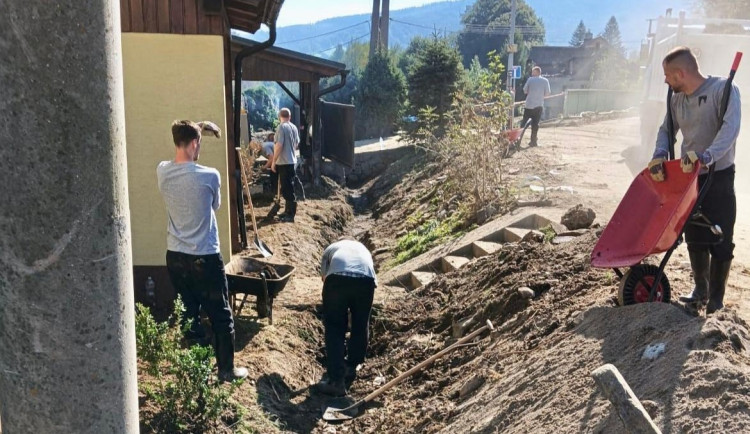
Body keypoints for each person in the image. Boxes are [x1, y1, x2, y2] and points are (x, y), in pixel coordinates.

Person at [647, 46, 740, 314]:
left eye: (667, 75)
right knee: (694, 233)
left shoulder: (723, 90)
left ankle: (716, 299)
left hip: (719, 175)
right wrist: (660, 153)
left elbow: (730, 130)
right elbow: (666, 129)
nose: (665, 80)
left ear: (681, 73)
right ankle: (700, 290)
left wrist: (707, 156)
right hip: (689, 178)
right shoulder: (676, 99)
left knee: (721, 236)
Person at [157, 120, 249, 382]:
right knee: (220, 314)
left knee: (189, 312)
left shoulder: (162, 171)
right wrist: (199, 132)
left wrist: (195, 128)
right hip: (205, 258)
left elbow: (183, 147)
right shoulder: (210, 176)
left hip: (175, 257)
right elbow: (216, 205)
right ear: (196, 143)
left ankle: (197, 372)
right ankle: (226, 371)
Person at [316, 239, 377, 396]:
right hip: (366, 281)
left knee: (335, 327)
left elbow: (324, 278)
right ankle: (351, 366)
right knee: (361, 323)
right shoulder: (363, 250)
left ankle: (336, 381)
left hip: (337, 280)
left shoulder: (329, 249)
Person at [271, 108, 300, 223]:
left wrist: (274, 160)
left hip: (283, 162)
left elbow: (279, 145)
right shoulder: (294, 127)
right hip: (292, 161)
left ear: (279, 116)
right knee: (289, 187)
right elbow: (296, 144)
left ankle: (290, 214)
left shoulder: (281, 127)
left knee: (287, 188)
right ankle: (288, 211)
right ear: (290, 116)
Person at [521, 66, 551, 147]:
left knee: (524, 123)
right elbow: (548, 94)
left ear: (536, 72)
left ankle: (518, 139)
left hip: (529, 105)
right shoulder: (545, 81)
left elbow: (525, 90)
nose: (531, 73)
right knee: (535, 124)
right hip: (539, 105)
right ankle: (533, 141)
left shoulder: (530, 79)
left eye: (532, 72)